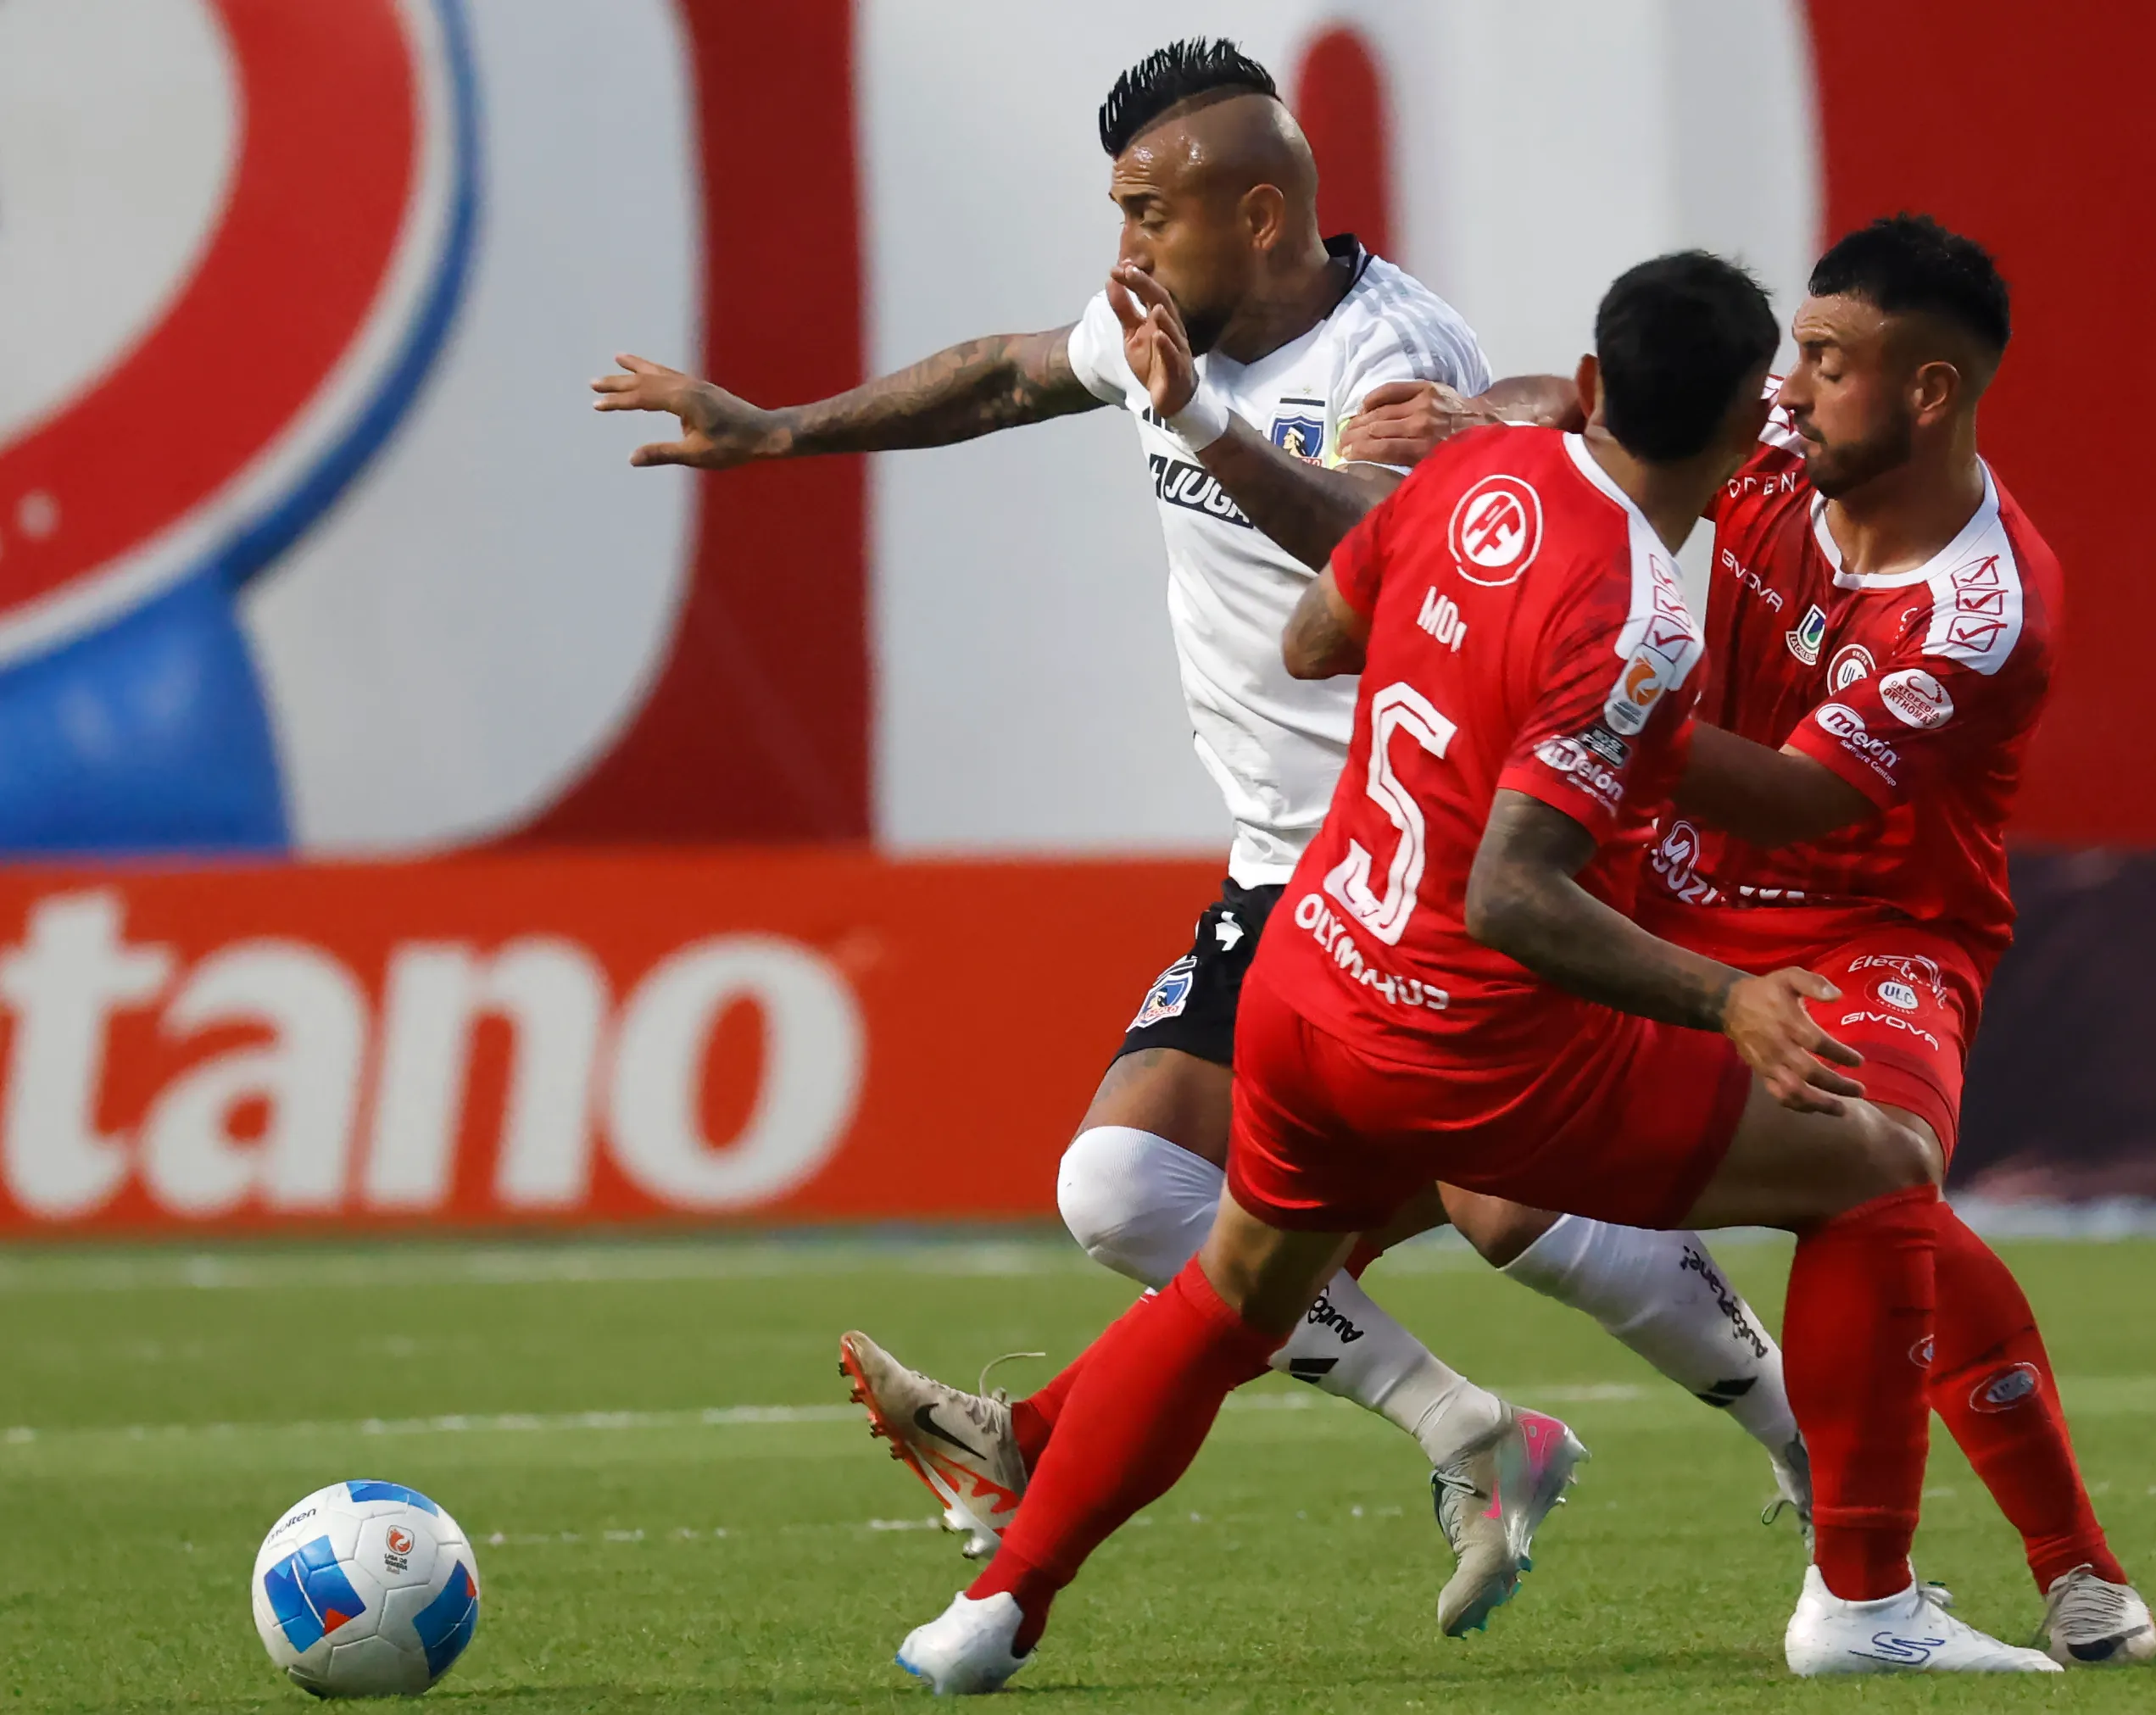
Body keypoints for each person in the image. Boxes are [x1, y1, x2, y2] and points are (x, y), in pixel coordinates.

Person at [593, 37, 1796, 1629]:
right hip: (1279, 865)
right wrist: (781, 431)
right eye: (1118, 211)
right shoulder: (1164, 325)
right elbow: (1014, 371)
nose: (1124, 248)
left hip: (1414, 856)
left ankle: (1795, 1435)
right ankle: (1470, 1426)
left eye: (1149, 211)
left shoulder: (1390, 356)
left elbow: (1405, 573)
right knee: (1130, 1194)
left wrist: (1232, 437)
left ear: (1262, 212)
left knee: (1494, 1205)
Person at [879, 251, 2064, 1692]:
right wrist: (1725, 997)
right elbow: (1513, 892)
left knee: (1225, 1295)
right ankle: (1862, 1596)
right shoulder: (1642, 611)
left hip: (1312, 982)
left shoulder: (1464, 482)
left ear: (1581, 387)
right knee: (1871, 1162)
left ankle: (992, 1608)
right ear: (1736, 440)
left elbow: (1314, 637)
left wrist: (1451, 642)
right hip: (1468, 1035)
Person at [1338, 213, 2156, 1665]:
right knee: (1356, 1151)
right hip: (1676, 885)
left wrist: (1588, 697)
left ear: (1928, 395)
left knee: (1874, 1160)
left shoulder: (1984, 603)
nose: (1784, 389)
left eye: (1827, 362)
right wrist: (1480, 413)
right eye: (1791, 356)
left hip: (1877, 926)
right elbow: (1605, 411)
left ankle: (2035, 1567)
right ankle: (1047, 1447)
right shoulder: (1779, 459)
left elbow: (1797, 801)